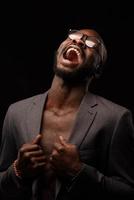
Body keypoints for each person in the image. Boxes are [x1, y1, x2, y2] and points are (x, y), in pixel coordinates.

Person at [0, 28, 134, 200]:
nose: (78, 41)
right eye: (74, 36)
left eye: (91, 44)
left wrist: (79, 171)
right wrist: (18, 171)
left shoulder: (116, 118)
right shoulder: (16, 112)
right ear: (58, 52)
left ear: (98, 68)